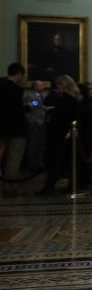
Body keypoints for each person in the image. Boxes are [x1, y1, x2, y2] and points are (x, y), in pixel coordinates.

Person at [37, 75, 81, 194]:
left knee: (54, 161)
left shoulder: (65, 99)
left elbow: (59, 118)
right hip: (65, 134)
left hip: (59, 135)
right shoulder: (73, 98)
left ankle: (50, 186)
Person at [0, 63, 29, 193]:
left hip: (2, 127)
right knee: (14, 158)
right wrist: (29, 107)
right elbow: (16, 110)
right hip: (15, 128)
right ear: (19, 74)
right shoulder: (15, 89)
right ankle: (10, 186)